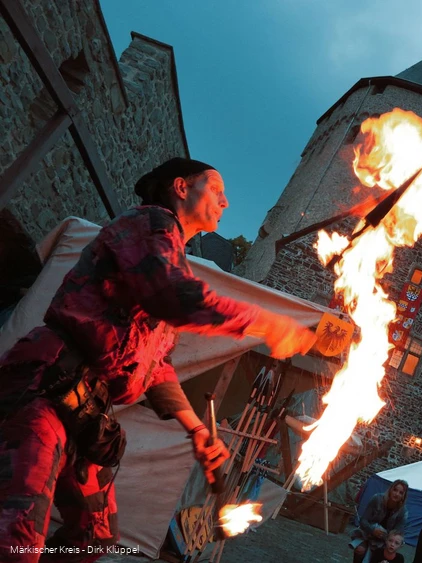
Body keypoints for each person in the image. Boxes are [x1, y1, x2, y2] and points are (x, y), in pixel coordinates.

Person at [0, 158, 317, 562]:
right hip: (47, 387)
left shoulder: (172, 258)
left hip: (87, 413)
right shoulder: (149, 223)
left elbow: (156, 365)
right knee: (17, 537)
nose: (225, 202)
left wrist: (197, 430)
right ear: (181, 187)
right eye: (216, 190)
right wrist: (265, 322)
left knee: (94, 537)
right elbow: (173, 295)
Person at [350, 480, 409, 563]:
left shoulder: (403, 512)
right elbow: (363, 520)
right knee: (360, 550)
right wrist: (372, 530)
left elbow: (397, 534)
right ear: (390, 489)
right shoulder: (377, 499)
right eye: (395, 490)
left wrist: (385, 536)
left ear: (403, 496)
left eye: (401, 493)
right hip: (367, 534)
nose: (396, 494)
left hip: (385, 541)